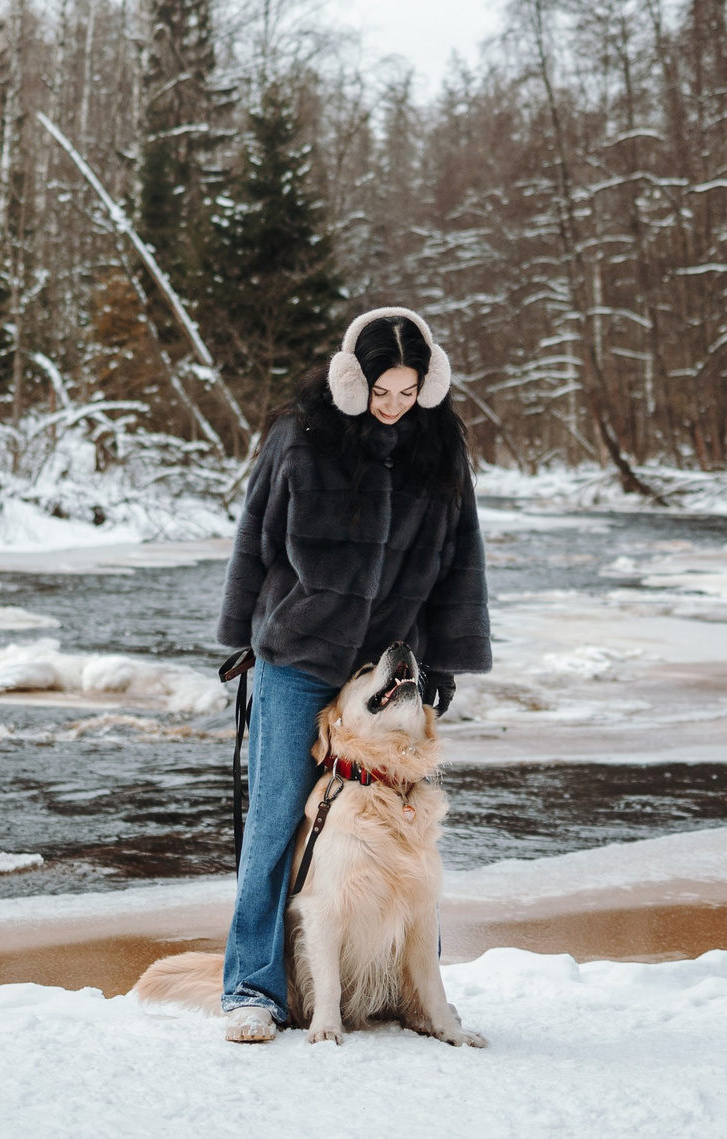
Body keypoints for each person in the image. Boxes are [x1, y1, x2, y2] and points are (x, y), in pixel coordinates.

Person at [212, 306, 492, 1042]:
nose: (394, 405)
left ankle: (414, 992)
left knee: (405, 830)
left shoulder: (439, 447)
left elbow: (462, 560)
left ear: (428, 385)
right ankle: (251, 988)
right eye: (381, 390)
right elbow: (255, 540)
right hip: (299, 655)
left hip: (385, 672)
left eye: (408, 391)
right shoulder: (300, 438)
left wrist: (444, 659)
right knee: (277, 819)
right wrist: (241, 638)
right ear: (350, 378)